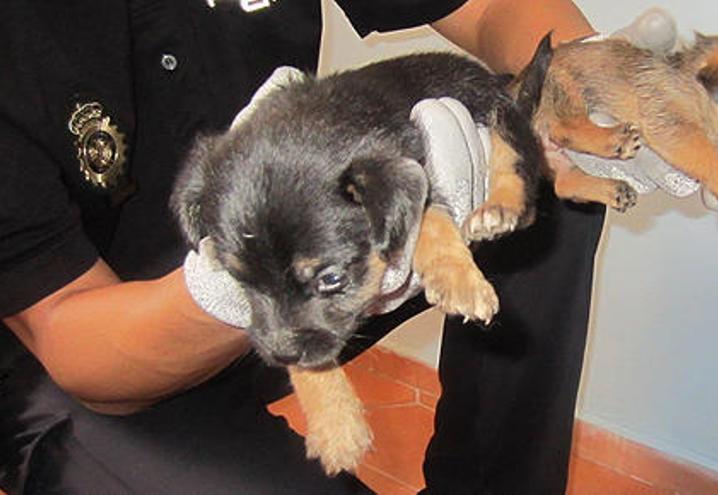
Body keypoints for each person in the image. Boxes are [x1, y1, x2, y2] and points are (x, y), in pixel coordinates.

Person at [0, 0, 602, 493]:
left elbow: (491, 6)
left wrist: (593, 84)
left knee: (539, 173)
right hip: (92, 362)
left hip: (302, 284)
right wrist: (227, 294)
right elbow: (63, 329)